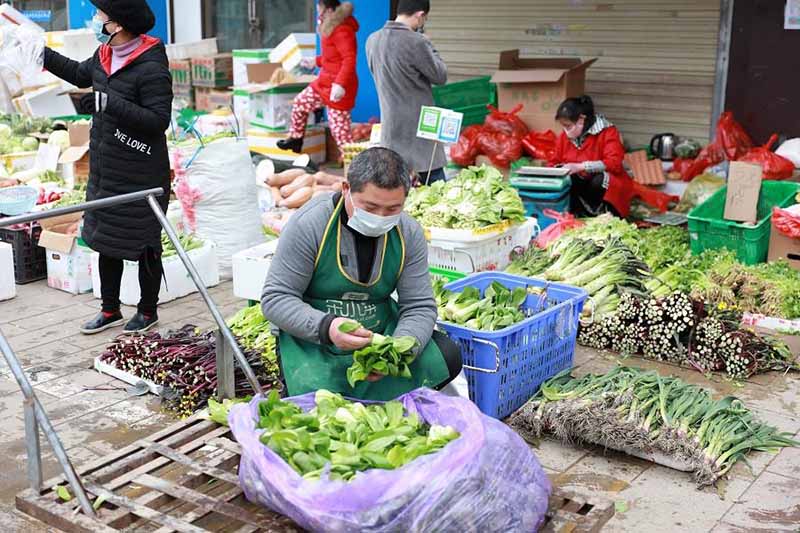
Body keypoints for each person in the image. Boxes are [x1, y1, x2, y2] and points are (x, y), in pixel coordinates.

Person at [261, 147, 462, 401]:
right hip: (315, 341)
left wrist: (395, 352)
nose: (381, 217)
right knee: (318, 403)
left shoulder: (409, 233)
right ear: (346, 188)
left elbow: (419, 306)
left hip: (380, 332)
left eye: (393, 209)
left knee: (447, 355)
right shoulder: (310, 224)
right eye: (370, 207)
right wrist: (328, 327)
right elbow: (276, 298)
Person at [42, 0, 173, 334]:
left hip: (141, 169)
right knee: (105, 238)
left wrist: (108, 103)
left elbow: (158, 121)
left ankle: (147, 310)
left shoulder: (151, 65)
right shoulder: (104, 55)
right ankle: (110, 309)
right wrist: (40, 54)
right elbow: (77, 73)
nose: (95, 20)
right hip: (106, 166)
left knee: (145, 241)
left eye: (100, 15)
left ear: (118, 24)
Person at [366, 0, 448, 184]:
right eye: (424, 19)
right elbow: (440, 76)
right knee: (436, 188)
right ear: (420, 15)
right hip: (420, 135)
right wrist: (429, 45)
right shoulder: (417, 41)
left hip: (390, 131)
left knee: (396, 188)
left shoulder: (372, 40)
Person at [277, 1, 358, 160]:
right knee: (300, 102)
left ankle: (355, 164)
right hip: (324, 83)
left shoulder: (342, 30)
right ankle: (296, 138)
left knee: (340, 133)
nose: (318, 15)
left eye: (320, 11)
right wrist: (316, 61)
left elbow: (349, 59)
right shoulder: (330, 27)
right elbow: (332, 57)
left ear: (330, 11)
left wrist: (340, 84)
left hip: (339, 89)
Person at [550, 95, 635, 218]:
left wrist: (581, 166)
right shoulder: (564, 137)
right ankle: (576, 212)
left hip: (605, 186)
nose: (565, 130)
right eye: (563, 126)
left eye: (568, 126)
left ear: (581, 120)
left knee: (600, 179)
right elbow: (554, 161)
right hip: (581, 185)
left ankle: (604, 214)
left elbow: (614, 163)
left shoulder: (608, 132)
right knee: (565, 178)